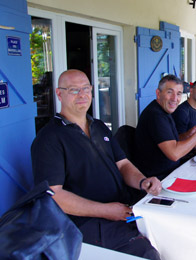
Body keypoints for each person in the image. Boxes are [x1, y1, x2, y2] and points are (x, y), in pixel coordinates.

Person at [31, 69, 162, 259]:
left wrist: (143, 182)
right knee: (147, 254)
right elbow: (53, 195)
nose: (82, 94)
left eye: (85, 88)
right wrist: (106, 210)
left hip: (122, 209)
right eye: (73, 90)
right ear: (59, 94)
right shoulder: (49, 138)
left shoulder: (99, 126)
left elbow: (123, 164)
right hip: (85, 223)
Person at [134, 75, 196, 180]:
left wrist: (188, 134)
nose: (175, 99)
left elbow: (172, 141)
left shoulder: (164, 111)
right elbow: (174, 154)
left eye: (178, 94)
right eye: (169, 92)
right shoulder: (155, 116)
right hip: (159, 179)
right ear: (158, 94)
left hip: (172, 171)